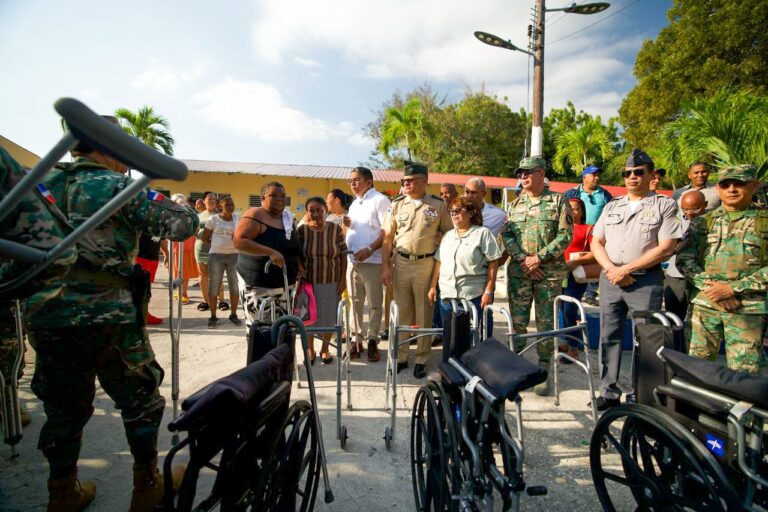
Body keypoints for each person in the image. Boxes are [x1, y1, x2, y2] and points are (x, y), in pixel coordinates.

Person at [23, 115, 198, 511]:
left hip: (47, 313)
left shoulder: (38, 185)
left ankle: (62, 491)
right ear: (107, 146)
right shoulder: (119, 186)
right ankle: (147, 485)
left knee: (63, 406)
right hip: (109, 316)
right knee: (140, 400)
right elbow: (183, 224)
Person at [591, 149, 681, 411]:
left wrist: (627, 269)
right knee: (608, 336)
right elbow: (597, 241)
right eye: (627, 173)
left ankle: (639, 393)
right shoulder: (612, 205)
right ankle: (608, 391)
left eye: (638, 172)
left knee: (645, 338)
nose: (632, 177)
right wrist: (611, 269)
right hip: (611, 279)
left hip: (644, 280)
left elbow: (666, 247)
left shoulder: (665, 205)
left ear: (651, 174)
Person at [0, 146, 77, 431]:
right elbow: (53, 250)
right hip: (95, 304)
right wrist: (8, 285)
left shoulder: (50, 179)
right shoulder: (120, 187)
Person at [677, 165, 768, 373]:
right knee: (696, 368)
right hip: (704, 306)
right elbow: (685, 260)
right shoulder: (703, 222)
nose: (732, 189)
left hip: (747, 309)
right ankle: (699, 407)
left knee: (744, 375)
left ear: (754, 186)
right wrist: (714, 290)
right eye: (726, 184)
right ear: (718, 189)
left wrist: (732, 289)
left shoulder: (764, 223)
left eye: (739, 184)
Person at [502, 156, 573, 396]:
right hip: (520, 273)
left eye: (527, 172)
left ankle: (543, 369)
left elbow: (565, 236)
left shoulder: (558, 201)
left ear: (541, 173)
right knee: (518, 322)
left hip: (548, 274)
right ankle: (516, 366)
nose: (522, 177)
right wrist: (524, 259)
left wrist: (539, 258)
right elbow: (508, 236)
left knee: (546, 322)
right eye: (520, 173)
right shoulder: (514, 205)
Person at [381, 162, 452, 379]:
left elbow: (449, 234)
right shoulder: (397, 205)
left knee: (424, 313)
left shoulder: (438, 205)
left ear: (424, 181)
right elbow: (387, 237)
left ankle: (422, 357)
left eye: (411, 181)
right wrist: (385, 266)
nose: (406, 184)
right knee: (402, 312)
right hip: (400, 263)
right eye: (404, 181)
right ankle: (402, 355)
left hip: (425, 264)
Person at [428, 197, 501, 334]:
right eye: (452, 211)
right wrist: (432, 287)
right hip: (447, 297)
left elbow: (493, 262)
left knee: (474, 340)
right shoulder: (448, 236)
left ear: (471, 213)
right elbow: (439, 262)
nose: (454, 213)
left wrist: (488, 291)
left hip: (473, 296)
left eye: (458, 210)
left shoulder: (482, 233)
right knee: (451, 339)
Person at [235, 181, 301, 331]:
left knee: (284, 329)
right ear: (263, 198)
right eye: (274, 195)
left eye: (283, 196)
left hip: (285, 286)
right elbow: (239, 241)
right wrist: (270, 252)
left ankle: (282, 354)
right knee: (261, 331)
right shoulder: (255, 215)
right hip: (259, 287)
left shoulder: (288, 218)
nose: (280, 199)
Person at [344, 166, 390, 362]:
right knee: (354, 303)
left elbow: (386, 232)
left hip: (372, 261)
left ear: (369, 182)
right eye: (351, 180)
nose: (353, 183)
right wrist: (348, 224)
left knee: (374, 304)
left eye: (356, 180)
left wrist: (370, 249)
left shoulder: (380, 200)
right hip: (352, 261)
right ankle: (356, 340)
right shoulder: (355, 204)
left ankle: (372, 340)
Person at [297, 197, 348, 364]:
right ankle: (310, 349)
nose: (316, 214)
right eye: (312, 210)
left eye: (319, 210)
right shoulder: (302, 231)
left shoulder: (334, 229)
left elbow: (343, 255)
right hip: (308, 283)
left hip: (331, 281)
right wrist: (299, 266)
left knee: (329, 316)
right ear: (307, 212)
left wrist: (342, 279)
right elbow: (295, 253)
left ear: (325, 211)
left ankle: (325, 349)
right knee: (309, 318)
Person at [565, 166, 613, 306]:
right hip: (575, 233)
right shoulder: (572, 193)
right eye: (593, 175)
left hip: (595, 234)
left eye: (598, 175)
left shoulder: (605, 194)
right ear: (584, 177)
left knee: (592, 262)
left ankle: (591, 293)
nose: (597, 177)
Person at [664, 190, 707, 328]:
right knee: (673, 318)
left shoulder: (712, 223)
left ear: (704, 205)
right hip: (675, 275)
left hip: (700, 277)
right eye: (685, 209)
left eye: (694, 209)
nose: (689, 213)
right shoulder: (673, 222)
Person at [560, 197, 596, 361]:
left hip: (576, 275)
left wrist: (576, 261)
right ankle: (566, 341)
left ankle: (574, 347)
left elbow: (596, 253)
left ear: (582, 212)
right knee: (561, 309)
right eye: (569, 208)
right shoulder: (559, 228)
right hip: (559, 273)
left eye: (576, 208)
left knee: (570, 310)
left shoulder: (588, 229)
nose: (572, 211)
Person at [203, 196, 241, 328]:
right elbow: (205, 238)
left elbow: (241, 235)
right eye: (227, 204)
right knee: (214, 287)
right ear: (220, 206)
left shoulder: (237, 218)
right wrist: (217, 245)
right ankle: (213, 316)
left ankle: (233, 314)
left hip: (234, 256)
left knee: (234, 287)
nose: (231, 206)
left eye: (232, 204)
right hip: (216, 257)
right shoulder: (213, 219)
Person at [166, 193, 200, 304]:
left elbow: (195, 228)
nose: (180, 205)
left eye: (182, 202)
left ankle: (184, 293)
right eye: (177, 203)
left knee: (184, 272)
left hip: (186, 246)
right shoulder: (169, 214)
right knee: (175, 270)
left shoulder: (189, 214)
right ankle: (179, 291)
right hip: (174, 246)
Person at [195, 191, 221, 312]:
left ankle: (222, 301)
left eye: (214, 199)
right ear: (203, 201)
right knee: (203, 275)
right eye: (209, 199)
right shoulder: (198, 216)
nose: (212, 201)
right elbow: (193, 230)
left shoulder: (222, 214)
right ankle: (206, 302)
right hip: (201, 248)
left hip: (217, 248)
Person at [135, 233, 164, 325]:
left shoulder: (160, 222)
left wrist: (166, 253)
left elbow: (162, 240)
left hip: (153, 258)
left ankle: (144, 312)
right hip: (141, 257)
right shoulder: (143, 219)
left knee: (147, 287)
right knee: (140, 287)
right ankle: (141, 314)